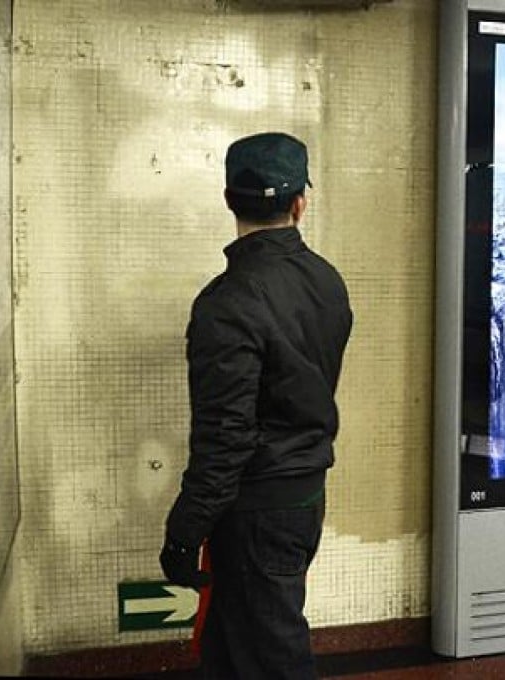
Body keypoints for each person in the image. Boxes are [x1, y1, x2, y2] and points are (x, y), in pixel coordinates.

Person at [160, 132, 353, 679]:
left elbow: (227, 439)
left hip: (254, 513)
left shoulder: (227, 303)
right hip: (304, 495)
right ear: (299, 203)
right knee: (230, 646)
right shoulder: (327, 283)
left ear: (228, 200)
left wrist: (184, 530)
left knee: (274, 658)